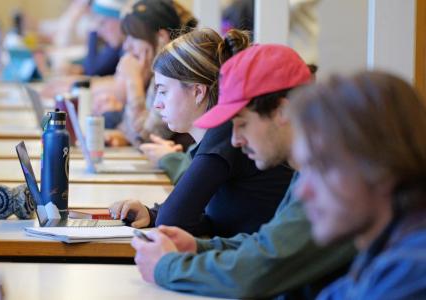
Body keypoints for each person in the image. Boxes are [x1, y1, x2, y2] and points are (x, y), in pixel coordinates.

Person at [130, 44, 355, 299]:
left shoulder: (333, 179)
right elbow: (266, 244)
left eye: (242, 124)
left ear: (282, 111)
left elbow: (258, 273)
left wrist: (166, 266)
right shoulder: (311, 167)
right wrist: (196, 247)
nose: (235, 140)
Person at [110, 28, 293, 238]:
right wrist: (152, 214)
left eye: (163, 91)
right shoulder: (221, 134)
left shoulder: (225, 132)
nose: (158, 105)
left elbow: (173, 220)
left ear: (197, 92)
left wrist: (161, 215)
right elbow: (212, 219)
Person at [289, 71, 426, 299]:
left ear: (383, 165)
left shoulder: (412, 269)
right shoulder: (383, 252)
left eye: (323, 167)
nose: (301, 192)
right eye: (305, 170)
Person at [103, 0, 196, 148]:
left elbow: (145, 138)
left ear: (161, 37)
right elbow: (132, 133)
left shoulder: (175, 73)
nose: (127, 45)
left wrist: (134, 82)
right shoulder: (158, 72)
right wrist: (124, 136)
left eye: (133, 36)